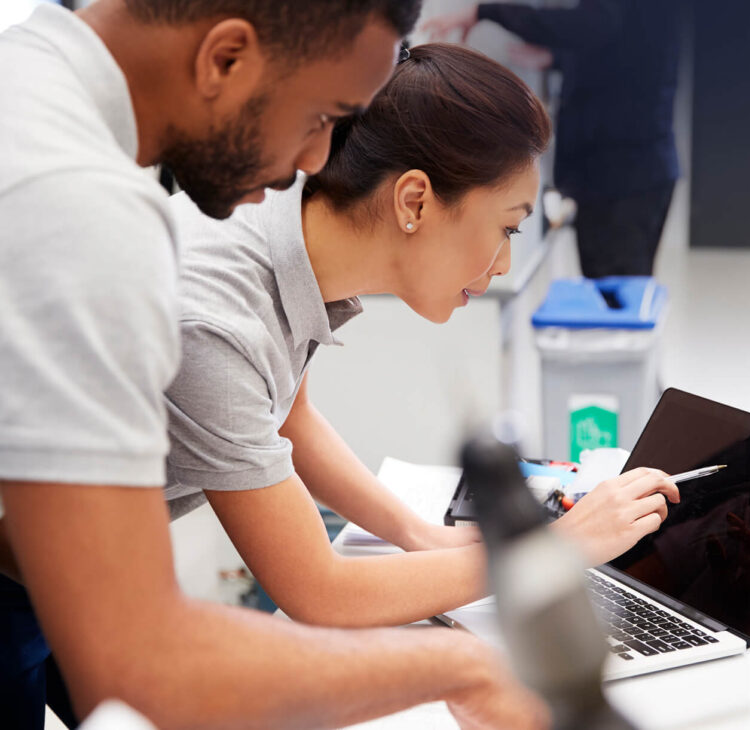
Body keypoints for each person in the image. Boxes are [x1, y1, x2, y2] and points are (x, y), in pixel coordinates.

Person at [0, 2, 550, 729]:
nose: (320, 163)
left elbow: (285, 414)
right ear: (227, 58)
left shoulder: (29, 78)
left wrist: (420, 539)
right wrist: (471, 661)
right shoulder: (99, 218)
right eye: (323, 116)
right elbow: (140, 656)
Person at [162, 42, 680, 630]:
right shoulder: (220, 316)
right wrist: (554, 549)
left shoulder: (287, 212)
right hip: (43, 565)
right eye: (507, 227)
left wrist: (417, 534)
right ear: (414, 200)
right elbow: (321, 591)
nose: (506, 262)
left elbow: (288, 413)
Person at [423, 0, 686, 279]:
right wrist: (557, 58)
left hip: (625, 177)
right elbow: (621, 48)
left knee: (616, 295)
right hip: (623, 173)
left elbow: (591, 25)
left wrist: (486, 12)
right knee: (613, 291)